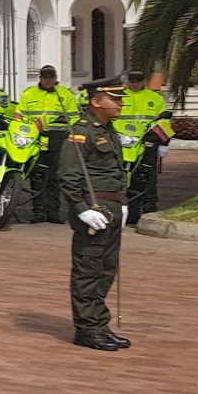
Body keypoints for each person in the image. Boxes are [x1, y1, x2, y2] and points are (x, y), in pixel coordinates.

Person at [61, 79, 133, 351]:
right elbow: (68, 176)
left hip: (111, 207)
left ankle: (99, 324)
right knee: (88, 270)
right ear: (95, 101)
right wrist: (82, 210)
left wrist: (122, 203)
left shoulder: (108, 130)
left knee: (106, 269)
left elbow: (116, 171)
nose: (120, 103)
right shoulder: (81, 132)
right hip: (94, 209)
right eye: (115, 98)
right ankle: (87, 328)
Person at [18, 63, 79, 222]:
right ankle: (39, 212)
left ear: (55, 78)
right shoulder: (29, 93)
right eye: (45, 78)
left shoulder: (65, 94)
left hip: (58, 139)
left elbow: (74, 118)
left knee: (55, 177)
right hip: (36, 138)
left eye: (51, 78)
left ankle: (53, 213)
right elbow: (19, 116)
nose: (48, 81)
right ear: (40, 78)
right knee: (37, 176)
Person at [116, 70, 174, 219]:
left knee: (149, 177)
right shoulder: (119, 96)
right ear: (127, 81)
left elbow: (164, 121)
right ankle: (131, 211)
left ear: (144, 81)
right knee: (125, 178)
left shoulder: (155, 98)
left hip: (148, 142)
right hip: (123, 144)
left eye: (138, 81)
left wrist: (164, 143)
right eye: (132, 81)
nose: (135, 84)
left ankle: (149, 208)